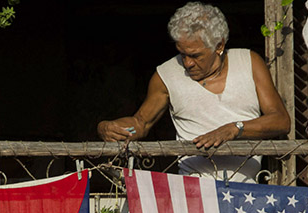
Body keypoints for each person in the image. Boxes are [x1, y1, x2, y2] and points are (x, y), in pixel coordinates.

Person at [97, 1, 290, 182]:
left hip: (247, 194)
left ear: (219, 46)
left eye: (195, 56)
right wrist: (106, 128)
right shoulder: (166, 74)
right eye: (183, 54)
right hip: (194, 194)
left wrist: (234, 129)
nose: (188, 63)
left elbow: (280, 120)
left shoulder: (249, 62)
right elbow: (140, 123)